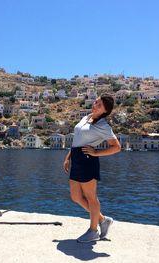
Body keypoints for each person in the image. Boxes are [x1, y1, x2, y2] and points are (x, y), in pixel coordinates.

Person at [63, 94, 121, 243]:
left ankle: (93, 230)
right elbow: (78, 139)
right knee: (75, 196)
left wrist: (97, 152)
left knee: (91, 198)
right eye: (96, 102)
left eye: (99, 105)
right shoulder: (87, 117)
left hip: (88, 161)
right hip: (76, 158)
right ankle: (103, 220)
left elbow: (116, 147)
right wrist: (68, 157)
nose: (95, 105)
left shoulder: (103, 126)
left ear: (105, 111)